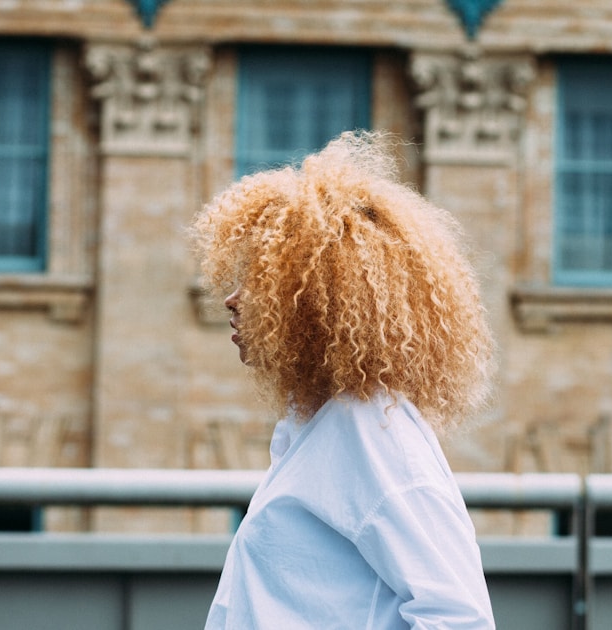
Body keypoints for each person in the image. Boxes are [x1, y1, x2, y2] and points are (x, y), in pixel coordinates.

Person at [192, 131, 497, 629]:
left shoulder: (368, 431)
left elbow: (459, 618)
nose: (233, 298)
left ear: (311, 298)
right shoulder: (321, 426)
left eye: (258, 278)